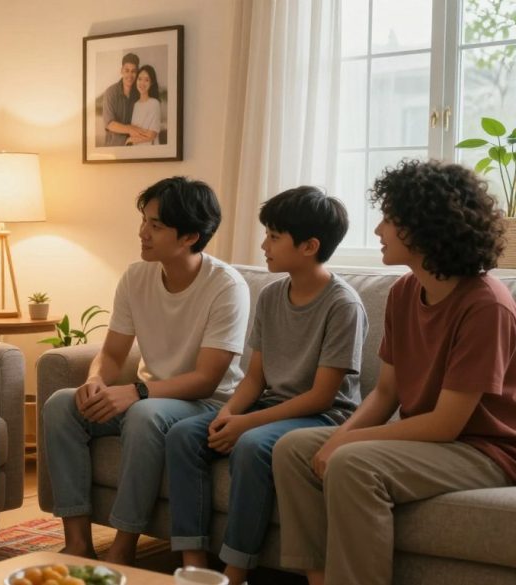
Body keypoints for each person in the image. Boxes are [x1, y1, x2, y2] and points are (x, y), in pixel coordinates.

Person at [272, 160, 516, 585]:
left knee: (351, 462)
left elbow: (445, 423)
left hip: (486, 450)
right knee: (293, 448)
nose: (377, 230)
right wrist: (340, 436)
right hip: (438, 439)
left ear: (423, 226)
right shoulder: (404, 292)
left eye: (388, 218)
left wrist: (347, 442)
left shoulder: (486, 305)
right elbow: (385, 393)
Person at [41, 177, 251, 564]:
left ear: (189, 236)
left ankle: (122, 548)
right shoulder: (137, 277)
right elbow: (112, 352)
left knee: (143, 413)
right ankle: (77, 543)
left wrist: (136, 392)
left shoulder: (226, 286)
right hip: (152, 398)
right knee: (60, 405)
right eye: (144, 221)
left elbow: (207, 378)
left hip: (205, 404)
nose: (142, 233)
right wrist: (94, 381)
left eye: (156, 226)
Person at [165, 187, 367, 585]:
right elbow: (255, 377)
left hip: (322, 416)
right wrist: (227, 414)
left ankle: (235, 572)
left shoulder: (343, 305)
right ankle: (195, 566)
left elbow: (322, 395)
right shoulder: (273, 294)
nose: (263, 245)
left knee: (253, 446)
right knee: (184, 435)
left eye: (274, 237)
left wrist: (246, 426)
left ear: (309, 246)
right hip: (271, 406)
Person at [101, 53, 151, 146]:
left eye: (133, 71)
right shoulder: (110, 92)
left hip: (137, 146)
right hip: (114, 149)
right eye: (127, 70)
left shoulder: (140, 93)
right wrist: (130, 129)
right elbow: (109, 123)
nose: (130, 75)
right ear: (121, 71)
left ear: (137, 73)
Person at [126, 65, 161, 146]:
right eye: (140, 79)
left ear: (151, 83)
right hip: (135, 151)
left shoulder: (154, 103)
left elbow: (152, 134)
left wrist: (131, 139)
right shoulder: (135, 105)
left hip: (151, 152)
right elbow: (132, 131)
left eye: (146, 80)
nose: (142, 83)